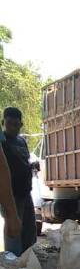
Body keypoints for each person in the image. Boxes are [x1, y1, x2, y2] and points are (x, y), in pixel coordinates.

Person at [1, 107, 36, 255]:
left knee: (29, 232)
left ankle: (28, 264)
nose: (13, 128)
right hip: (11, 195)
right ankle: (14, 268)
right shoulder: (3, 141)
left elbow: (22, 162)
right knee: (14, 231)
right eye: (9, 124)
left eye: (16, 124)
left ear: (21, 125)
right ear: (3, 123)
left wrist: (32, 166)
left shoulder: (21, 141)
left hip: (25, 193)